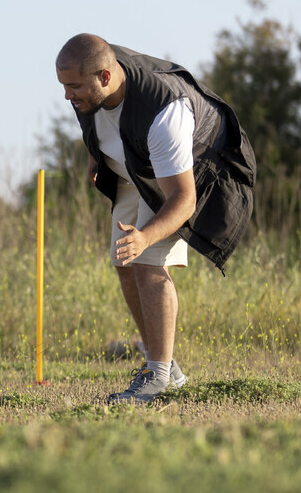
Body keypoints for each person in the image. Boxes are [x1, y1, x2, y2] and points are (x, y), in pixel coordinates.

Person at [55, 34, 255, 403]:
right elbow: (98, 122)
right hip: (136, 164)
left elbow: (183, 199)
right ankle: (162, 367)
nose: (68, 95)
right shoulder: (90, 82)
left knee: (146, 259)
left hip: (186, 173)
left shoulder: (165, 115)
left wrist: (146, 236)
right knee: (124, 259)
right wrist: (97, 157)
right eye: (63, 86)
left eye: (73, 87)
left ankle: (159, 377)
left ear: (104, 76)